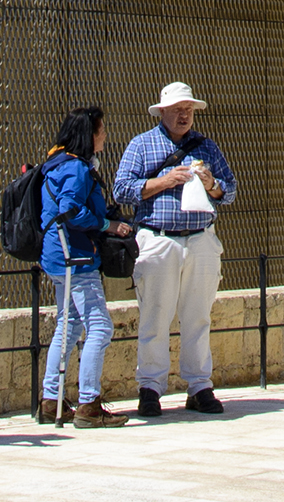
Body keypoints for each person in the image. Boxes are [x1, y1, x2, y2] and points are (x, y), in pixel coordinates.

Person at [115, 83, 236, 418]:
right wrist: (166, 181)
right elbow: (122, 190)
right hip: (159, 238)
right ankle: (150, 388)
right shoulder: (141, 145)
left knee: (198, 316)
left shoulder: (207, 147)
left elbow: (230, 190)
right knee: (155, 315)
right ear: (162, 112)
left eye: (189, 110)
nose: (184, 116)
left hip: (200, 238)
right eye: (178, 110)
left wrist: (212, 184)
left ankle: (199, 386)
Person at [37, 106, 135, 429]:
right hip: (76, 259)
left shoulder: (56, 163)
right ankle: (88, 404)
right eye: (101, 130)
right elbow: (71, 211)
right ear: (88, 135)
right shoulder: (77, 169)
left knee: (68, 326)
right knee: (101, 327)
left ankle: (51, 401)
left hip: (56, 257)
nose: (105, 135)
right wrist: (107, 224)